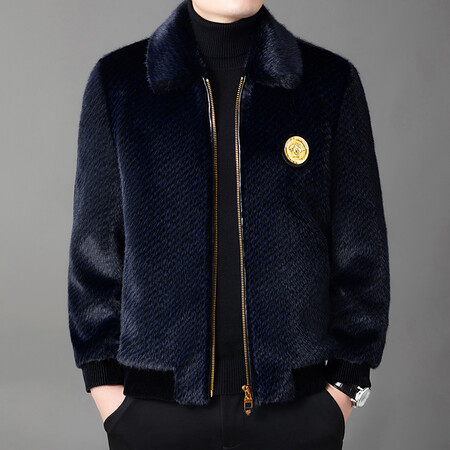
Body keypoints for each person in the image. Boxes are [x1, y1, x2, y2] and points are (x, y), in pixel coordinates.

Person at [67, 0, 390, 448]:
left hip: (297, 412)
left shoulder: (328, 83)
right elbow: (94, 254)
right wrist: (113, 400)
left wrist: (343, 390)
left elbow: (362, 250)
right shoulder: (120, 83)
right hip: (155, 414)